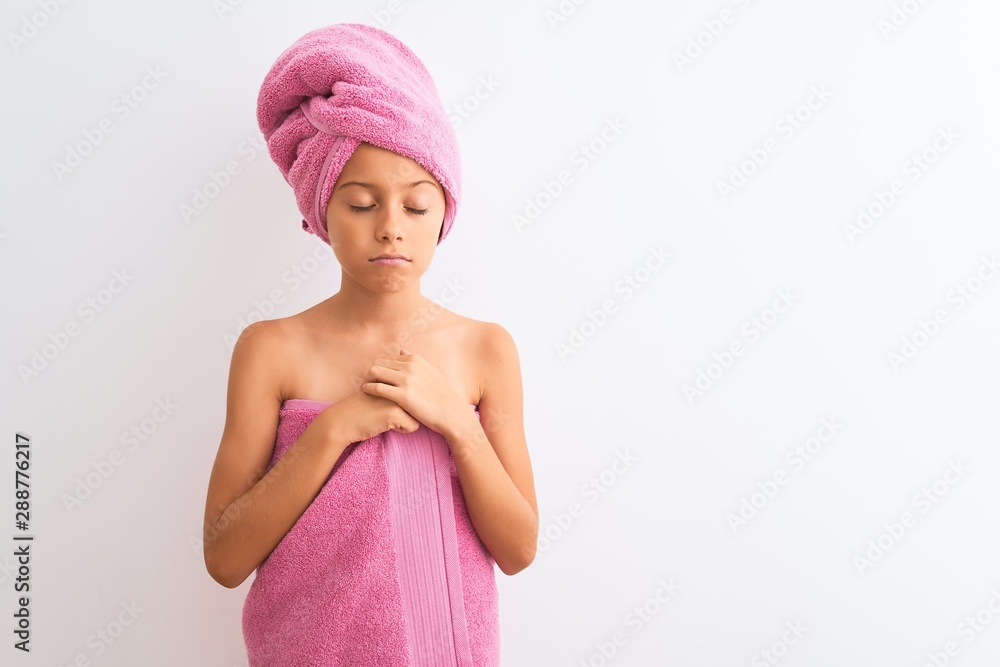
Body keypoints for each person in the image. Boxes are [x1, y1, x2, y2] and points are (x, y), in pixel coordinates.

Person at [201, 23, 537, 666]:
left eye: (416, 206)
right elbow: (224, 556)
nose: (391, 230)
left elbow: (518, 550)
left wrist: (456, 427)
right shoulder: (272, 349)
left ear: (445, 212)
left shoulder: (484, 349)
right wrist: (336, 429)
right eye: (361, 204)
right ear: (323, 209)